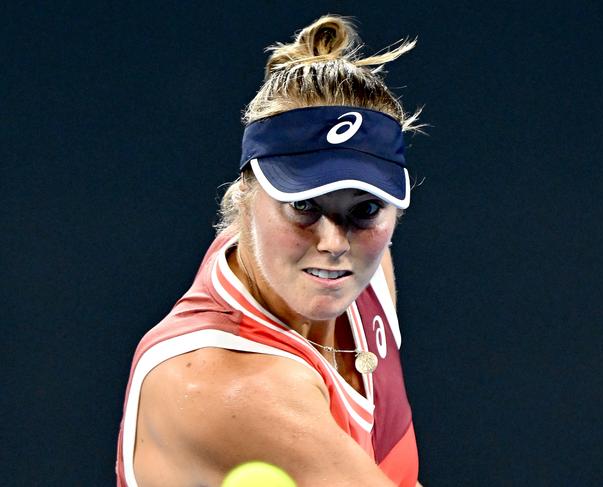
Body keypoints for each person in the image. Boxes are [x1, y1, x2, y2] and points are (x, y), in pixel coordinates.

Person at [116, 15, 424, 487]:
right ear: (244, 198)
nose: (332, 243)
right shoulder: (234, 390)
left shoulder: (355, 268)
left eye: (364, 209)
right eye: (303, 204)